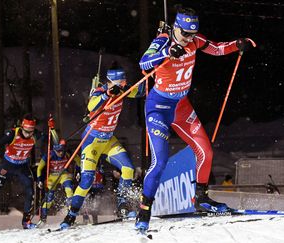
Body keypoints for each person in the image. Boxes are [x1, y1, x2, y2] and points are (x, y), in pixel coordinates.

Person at [135, 7, 254, 231]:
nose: (189, 38)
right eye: (185, 34)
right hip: (159, 107)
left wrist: (237, 44)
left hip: (181, 106)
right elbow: (144, 63)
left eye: (192, 34)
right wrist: (168, 53)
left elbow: (217, 49)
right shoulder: (162, 40)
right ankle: (144, 209)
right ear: (176, 27)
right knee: (159, 161)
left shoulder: (195, 41)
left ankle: (201, 198)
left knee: (206, 151)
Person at [60, 63, 145, 229]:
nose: (122, 85)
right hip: (92, 142)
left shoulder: (123, 90)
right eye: (119, 82)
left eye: (123, 81)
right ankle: (71, 215)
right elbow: (91, 105)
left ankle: (123, 206)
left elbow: (141, 91)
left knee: (128, 169)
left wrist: (147, 76)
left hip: (108, 141)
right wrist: (106, 94)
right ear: (110, 82)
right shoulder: (100, 91)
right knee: (86, 181)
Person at [0, 114, 47, 229]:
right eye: (26, 131)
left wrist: (51, 129)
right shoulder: (12, 134)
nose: (28, 134)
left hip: (22, 167)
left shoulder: (35, 134)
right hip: (7, 165)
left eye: (30, 131)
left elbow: (53, 140)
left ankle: (26, 222)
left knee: (30, 191)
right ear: (22, 127)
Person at [36, 138, 80, 225]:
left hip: (64, 174)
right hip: (52, 176)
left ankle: (71, 217)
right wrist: (39, 180)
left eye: (62, 150)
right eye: (58, 151)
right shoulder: (49, 155)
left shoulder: (68, 153)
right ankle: (43, 219)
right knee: (49, 199)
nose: (61, 153)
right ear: (54, 149)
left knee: (69, 191)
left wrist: (78, 172)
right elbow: (39, 168)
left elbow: (79, 162)